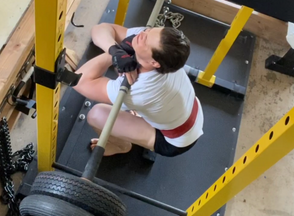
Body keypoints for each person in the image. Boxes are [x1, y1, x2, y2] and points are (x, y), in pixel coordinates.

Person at [73, 22, 204, 157]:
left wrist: (115, 54)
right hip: (184, 111)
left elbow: (79, 81)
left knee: (97, 115)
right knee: (141, 105)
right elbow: (100, 29)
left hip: (175, 141)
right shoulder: (158, 47)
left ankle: (121, 146)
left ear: (154, 63)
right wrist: (115, 50)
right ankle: (146, 115)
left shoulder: (139, 90)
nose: (142, 33)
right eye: (150, 31)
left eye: (146, 39)